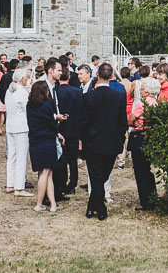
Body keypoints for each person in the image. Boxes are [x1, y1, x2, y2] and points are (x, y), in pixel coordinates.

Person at [81, 63, 127, 220]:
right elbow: (123, 123)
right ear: (112, 76)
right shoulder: (119, 97)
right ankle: (100, 209)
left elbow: (84, 123)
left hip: (94, 142)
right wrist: (120, 140)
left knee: (97, 177)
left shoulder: (88, 97)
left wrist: (84, 140)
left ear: (98, 75)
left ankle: (91, 206)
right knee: (99, 177)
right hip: (111, 143)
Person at [27, 81, 66, 213]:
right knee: (45, 172)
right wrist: (58, 134)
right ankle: (39, 203)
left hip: (34, 140)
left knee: (48, 172)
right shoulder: (47, 106)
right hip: (47, 140)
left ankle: (53, 203)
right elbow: (52, 123)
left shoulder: (29, 106)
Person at [129, 77, 159, 211]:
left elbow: (130, 120)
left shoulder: (142, 104)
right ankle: (153, 198)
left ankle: (145, 202)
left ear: (147, 91)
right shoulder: (155, 103)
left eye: (142, 89)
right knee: (147, 170)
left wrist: (133, 122)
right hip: (150, 137)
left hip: (139, 136)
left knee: (140, 171)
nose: (140, 91)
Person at [53, 66, 83, 198]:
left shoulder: (56, 91)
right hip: (74, 127)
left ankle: (62, 183)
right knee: (73, 158)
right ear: (69, 78)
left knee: (62, 158)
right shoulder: (77, 92)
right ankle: (73, 182)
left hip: (61, 128)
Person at [4, 67, 32, 197]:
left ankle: (10, 183)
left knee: (12, 156)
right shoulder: (22, 92)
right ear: (22, 79)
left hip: (10, 125)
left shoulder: (9, 91)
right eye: (26, 78)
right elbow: (28, 109)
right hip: (21, 127)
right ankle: (19, 187)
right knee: (21, 157)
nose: (27, 80)